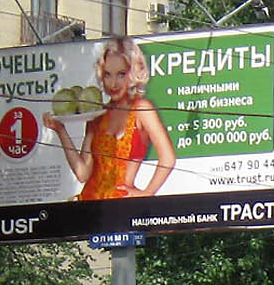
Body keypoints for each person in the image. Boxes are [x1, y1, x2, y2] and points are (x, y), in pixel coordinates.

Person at [42, 36, 178, 200]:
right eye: (108, 75)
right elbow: (83, 173)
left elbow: (168, 158)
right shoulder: (97, 114)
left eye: (121, 74)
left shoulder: (141, 108)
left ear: (134, 72)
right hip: (91, 206)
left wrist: (147, 193)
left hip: (122, 206)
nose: (113, 83)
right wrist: (61, 131)